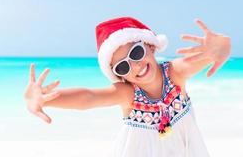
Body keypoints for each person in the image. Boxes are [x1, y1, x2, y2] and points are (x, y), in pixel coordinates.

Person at [24, 17, 231, 157]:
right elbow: (89, 97)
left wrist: (220, 48)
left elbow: (208, 56)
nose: (135, 65)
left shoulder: (175, 74)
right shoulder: (128, 94)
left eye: (137, 53)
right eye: (123, 66)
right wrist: (47, 99)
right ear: (119, 75)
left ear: (150, 46)